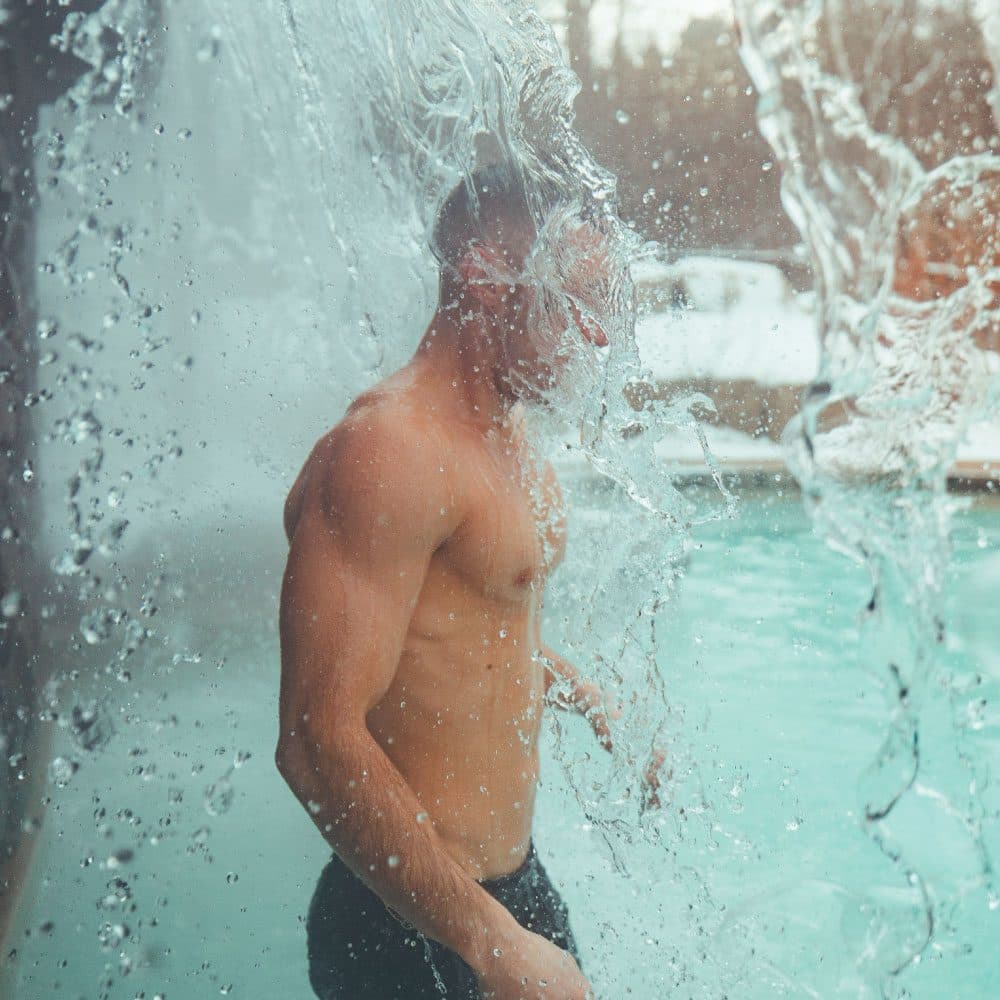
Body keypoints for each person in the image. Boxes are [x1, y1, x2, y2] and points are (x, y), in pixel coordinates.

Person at [277, 166, 645, 999]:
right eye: (577, 299)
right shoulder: (389, 452)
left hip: (513, 890)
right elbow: (313, 737)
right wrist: (489, 944)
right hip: (407, 917)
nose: (597, 337)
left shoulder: (507, 436)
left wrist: (588, 696)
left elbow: (468, 634)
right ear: (483, 274)